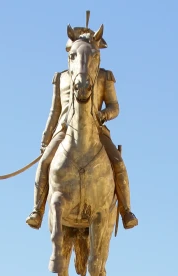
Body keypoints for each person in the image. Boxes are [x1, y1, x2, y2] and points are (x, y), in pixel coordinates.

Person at [26, 23, 138, 231]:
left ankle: (126, 211)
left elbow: (114, 106)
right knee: (45, 162)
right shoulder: (61, 77)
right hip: (65, 129)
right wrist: (45, 137)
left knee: (118, 163)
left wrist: (103, 114)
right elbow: (54, 111)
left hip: (96, 129)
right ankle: (37, 210)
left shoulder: (104, 76)